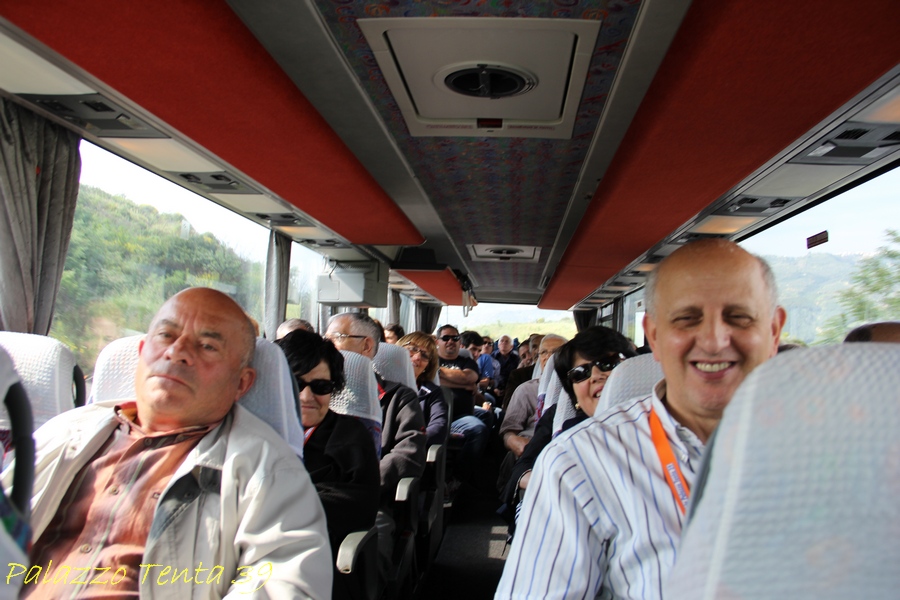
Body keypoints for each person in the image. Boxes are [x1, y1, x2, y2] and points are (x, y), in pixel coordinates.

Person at [496, 238, 786, 600]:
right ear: (655, 336)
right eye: (687, 319)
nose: (714, 340)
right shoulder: (578, 463)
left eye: (739, 317)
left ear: (774, 330)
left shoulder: (838, 452)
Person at [10, 288, 331, 598]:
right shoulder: (63, 433)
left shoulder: (270, 470)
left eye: (207, 346)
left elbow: (283, 587)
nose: (177, 351)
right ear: (142, 352)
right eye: (166, 336)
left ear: (242, 383)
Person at [498, 327, 633, 534]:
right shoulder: (559, 420)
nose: (595, 376)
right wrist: (560, 481)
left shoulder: (662, 422)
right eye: (580, 373)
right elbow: (521, 469)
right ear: (572, 388)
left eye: (607, 364)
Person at [324, 313, 425, 579]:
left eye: (335, 338)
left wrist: (363, 484)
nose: (327, 345)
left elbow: (408, 452)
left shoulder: (400, 398)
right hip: (318, 497)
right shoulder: (316, 392)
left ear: (367, 346)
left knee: (368, 552)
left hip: (375, 500)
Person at [275, 330, 380, 570]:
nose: (306, 397)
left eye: (321, 386)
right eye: (295, 384)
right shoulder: (256, 433)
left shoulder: (351, 436)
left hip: (316, 558)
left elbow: (358, 507)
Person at [436, 324, 491, 485]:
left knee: (487, 416)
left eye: (455, 338)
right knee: (479, 430)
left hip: (463, 415)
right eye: (446, 338)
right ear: (438, 342)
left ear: (460, 342)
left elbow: (469, 377)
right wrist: (463, 384)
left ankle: (475, 467)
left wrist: (438, 373)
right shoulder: (431, 360)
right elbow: (430, 380)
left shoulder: (467, 361)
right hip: (441, 417)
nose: (450, 341)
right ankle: (457, 479)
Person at [499, 334, 567, 458]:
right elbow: (508, 431)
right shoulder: (526, 390)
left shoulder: (578, 388)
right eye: (544, 352)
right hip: (529, 450)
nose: (549, 357)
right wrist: (514, 441)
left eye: (556, 352)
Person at [397, 331, 449, 447]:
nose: (417, 357)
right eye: (412, 349)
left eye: (425, 355)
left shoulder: (432, 392)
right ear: (398, 351)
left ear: (427, 367)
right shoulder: (378, 385)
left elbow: (438, 427)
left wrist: (408, 442)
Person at [491, 334, 519, 400]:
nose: (504, 343)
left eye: (507, 341)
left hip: (511, 389)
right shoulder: (492, 357)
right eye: (502, 341)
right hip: (494, 388)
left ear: (512, 346)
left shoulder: (516, 358)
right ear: (498, 345)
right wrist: (494, 388)